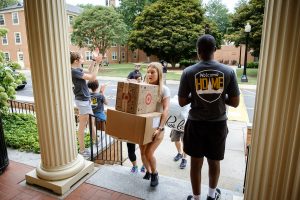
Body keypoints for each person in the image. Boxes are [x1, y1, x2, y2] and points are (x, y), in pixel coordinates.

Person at [178, 34, 240, 200]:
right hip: (217, 125)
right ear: (215, 50)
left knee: (195, 163)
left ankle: (196, 198)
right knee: (214, 162)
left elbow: (182, 101)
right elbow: (235, 102)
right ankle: (211, 196)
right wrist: (220, 95)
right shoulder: (228, 72)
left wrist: (197, 95)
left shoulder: (188, 72)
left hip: (196, 125)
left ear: (198, 51)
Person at [139, 62, 170, 187]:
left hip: (157, 127)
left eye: (153, 72)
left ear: (159, 74)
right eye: (148, 72)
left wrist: (160, 127)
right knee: (142, 152)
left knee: (149, 153)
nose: (150, 74)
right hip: (144, 125)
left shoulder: (164, 89)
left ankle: (154, 174)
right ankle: (148, 171)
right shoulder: (144, 87)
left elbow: (166, 109)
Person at [71, 51, 102, 156]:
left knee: (91, 122)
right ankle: (82, 150)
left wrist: (94, 60)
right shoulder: (74, 71)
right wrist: (98, 63)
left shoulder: (77, 70)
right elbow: (92, 78)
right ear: (76, 61)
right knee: (82, 126)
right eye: (82, 57)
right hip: (83, 102)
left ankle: (96, 141)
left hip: (85, 100)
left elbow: (89, 71)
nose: (83, 58)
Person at [126, 72, 144, 173]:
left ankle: (144, 165)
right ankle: (135, 166)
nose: (139, 82)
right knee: (130, 150)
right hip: (131, 125)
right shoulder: (127, 92)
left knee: (144, 150)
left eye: (140, 79)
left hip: (141, 124)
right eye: (137, 80)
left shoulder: (145, 90)